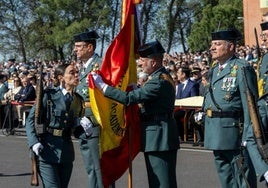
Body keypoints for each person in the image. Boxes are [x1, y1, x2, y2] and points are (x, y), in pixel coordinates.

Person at [91, 40, 179, 188]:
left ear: (153, 62)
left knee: (162, 182)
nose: (140, 63)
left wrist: (103, 87)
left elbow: (129, 99)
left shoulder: (158, 81)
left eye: (143, 60)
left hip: (159, 137)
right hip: (157, 135)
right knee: (157, 181)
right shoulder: (159, 77)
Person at [203, 28, 268, 187]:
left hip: (234, 133)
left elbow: (250, 106)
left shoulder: (241, 68)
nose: (212, 48)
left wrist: (247, 136)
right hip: (216, 132)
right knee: (225, 177)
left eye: (217, 44)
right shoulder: (214, 70)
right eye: (212, 44)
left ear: (231, 47)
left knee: (242, 178)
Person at [25, 63, 89, 188]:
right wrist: (34, 142)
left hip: (66, 153)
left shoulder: (78, 100)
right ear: (61, 78)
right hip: (47, 150)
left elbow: (75, 132)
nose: (76, 75)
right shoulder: (49, 95)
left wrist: (85, 129)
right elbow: (30, 121)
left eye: (77, 72)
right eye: (72, 72)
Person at [73, 30, 104, 188]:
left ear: (90, 47)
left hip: (95, 121)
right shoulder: (83, 68)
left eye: (79, 46)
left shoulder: (101, 65)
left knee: (100, 169)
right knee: (90, 167)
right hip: (82, 121)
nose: (75, 49)